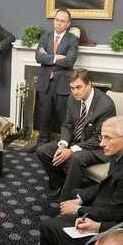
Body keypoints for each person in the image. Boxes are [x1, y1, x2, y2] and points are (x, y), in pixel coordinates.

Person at [41, 116, 123, 245]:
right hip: (108, 202)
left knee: (47, 225)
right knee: (75, 193)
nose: (101, 144)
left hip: (113, 228)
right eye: (102, 137)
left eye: (108, 138)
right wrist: (80, 199)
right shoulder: (121, 154)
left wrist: (78, 209)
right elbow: (107, 184)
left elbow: (115, 214)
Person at [36, 69, 115, 200]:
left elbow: (98, 139)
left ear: (89, 84)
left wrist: (71, 150)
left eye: (79, 87)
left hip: (97, 148)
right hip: (75, 142)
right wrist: (63, 144)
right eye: (72, 88)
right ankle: (59, 183)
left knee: (75, 159)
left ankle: (67, 198)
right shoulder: (72, 99)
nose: (75, 92)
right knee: (42, 150)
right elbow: (68, 125)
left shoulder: (105, 105)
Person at [26, 9, 80, 152]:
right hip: (45, 83)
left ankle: (64, 145)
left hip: (62, 84)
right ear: (53, 20)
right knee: (44, 115)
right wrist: (56, 57)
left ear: (68, 24)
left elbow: (69, 61)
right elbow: (38, 58)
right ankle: (42, 143)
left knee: (63, 117)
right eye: (57, 20)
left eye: (62, 21)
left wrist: (48, 57)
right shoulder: (45, 36)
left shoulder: (72, 40)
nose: (59, 23)